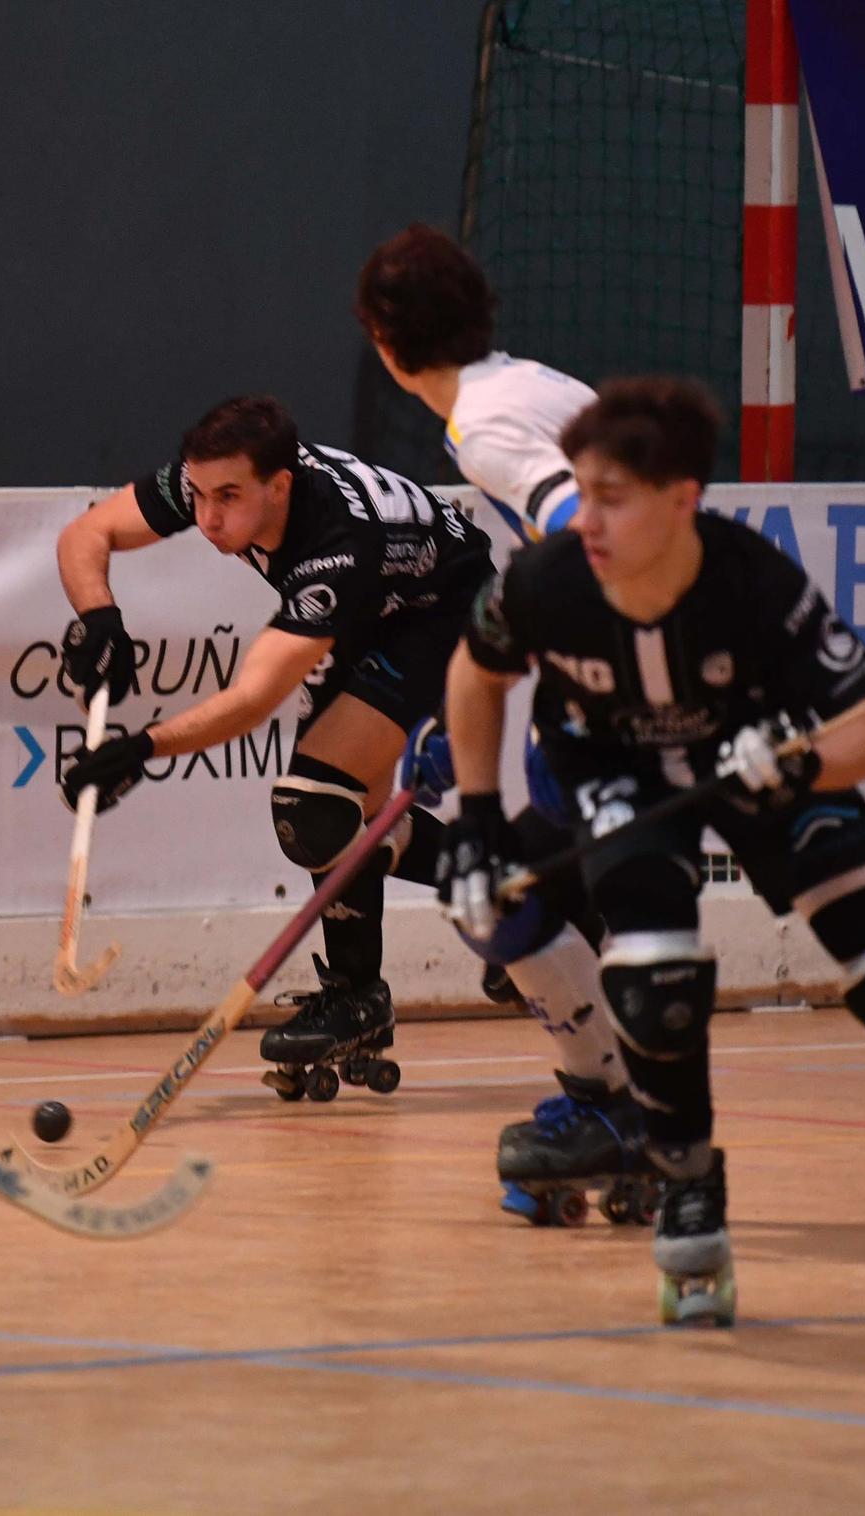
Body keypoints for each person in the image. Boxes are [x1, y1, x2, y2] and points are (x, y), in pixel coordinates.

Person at [437, 375, 865, 1326]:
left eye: (614, 496)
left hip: (760, 767)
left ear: (682, 500)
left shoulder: (756, 584)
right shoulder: (547, 580)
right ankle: (688, 1179)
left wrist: (792, 770)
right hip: (620, 768)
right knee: (653, 983)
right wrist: (477, 820)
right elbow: (474, 672)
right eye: (583, 488)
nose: (589, 517)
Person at [55, 394, 491, 1098]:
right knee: (332, 812)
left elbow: (256, 696)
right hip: (371, 609)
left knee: (315, 803)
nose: (208, 518)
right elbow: (86, 535)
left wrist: (143, 749)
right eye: (197, 495)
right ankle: (444, 926)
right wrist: (99, 615)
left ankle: (375, 979)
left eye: (229, 498)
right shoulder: (219, 479)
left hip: (439, 610)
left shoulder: (337, 541)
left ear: (280, 485)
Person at [356, 222, 649, 1223]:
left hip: (618, 697)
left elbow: (583, 535)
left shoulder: (485, 425)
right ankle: (620, 1107)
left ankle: (607, 1110)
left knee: (495, 895)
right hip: (627, 676)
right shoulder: (530, 382)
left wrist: (491, 647)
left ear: (384, 345)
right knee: (555, 907)